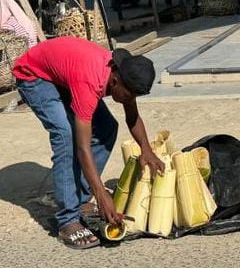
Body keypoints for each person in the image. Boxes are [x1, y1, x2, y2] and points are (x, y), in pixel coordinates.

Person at [13, 38, 164, 249]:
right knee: (66, 136)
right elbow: (83, 148)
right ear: (115, 82)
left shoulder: (123, 76)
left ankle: (81, 199)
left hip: (63, 75)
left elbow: (132, 117)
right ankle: (67, 220)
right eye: (130, 95)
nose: (131, 100)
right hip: (34, 76)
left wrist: (146, 150)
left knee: (107, 128)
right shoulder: (89, 82)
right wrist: (101, 194)